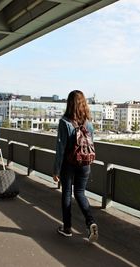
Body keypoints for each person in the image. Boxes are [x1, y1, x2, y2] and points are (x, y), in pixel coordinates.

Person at [53, 90, 98, 242]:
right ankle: (90, 222)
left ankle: (67, 228)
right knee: (80, 193)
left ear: (69, 103)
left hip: (69, 164)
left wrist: (56, 170)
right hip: (85, 163)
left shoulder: (64, 122)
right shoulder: (88, 124)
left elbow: (60, 149)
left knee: (67, 193)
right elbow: (91, 145)